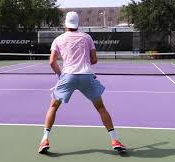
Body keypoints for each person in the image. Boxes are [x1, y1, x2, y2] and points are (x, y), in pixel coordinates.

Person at [38, 11, 127, 154]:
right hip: (86, 76)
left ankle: (44, 139)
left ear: (65, 23)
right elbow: (94, 60)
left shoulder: (58, 39)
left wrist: (60, 75)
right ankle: (114, 139)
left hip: (68, 76)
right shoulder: (87, 37)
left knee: (53, 106)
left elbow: (52, 61)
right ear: (78, 23)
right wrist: (84, 60)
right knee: (101, 108)